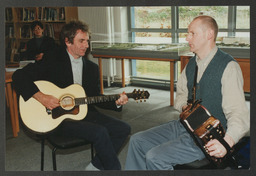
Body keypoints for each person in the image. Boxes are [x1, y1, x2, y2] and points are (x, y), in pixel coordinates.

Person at [124, 15, 249, 170]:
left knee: (155, 157)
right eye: (187, 33)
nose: (187, 38)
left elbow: (239, 113)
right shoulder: (191, 64)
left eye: (192, 33)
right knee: (137, 140)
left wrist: (226, 142)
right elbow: (181, 93)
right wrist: (184, 106)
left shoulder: (228, 66)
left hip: (209, 137)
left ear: (209, 34)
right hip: (185, 126)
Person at [12, 20, 131, 170]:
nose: (86, 45)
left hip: (81, 112)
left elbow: (93, 97)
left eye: (87, 41)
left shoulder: (91, 68)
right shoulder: (52, 59)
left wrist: (116, 102)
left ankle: (95, 167)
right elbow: (19, 76)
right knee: (100, 132)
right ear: (67, 42)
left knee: (123, 128)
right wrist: (42, 97)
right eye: (81, 41)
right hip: (56, 117)